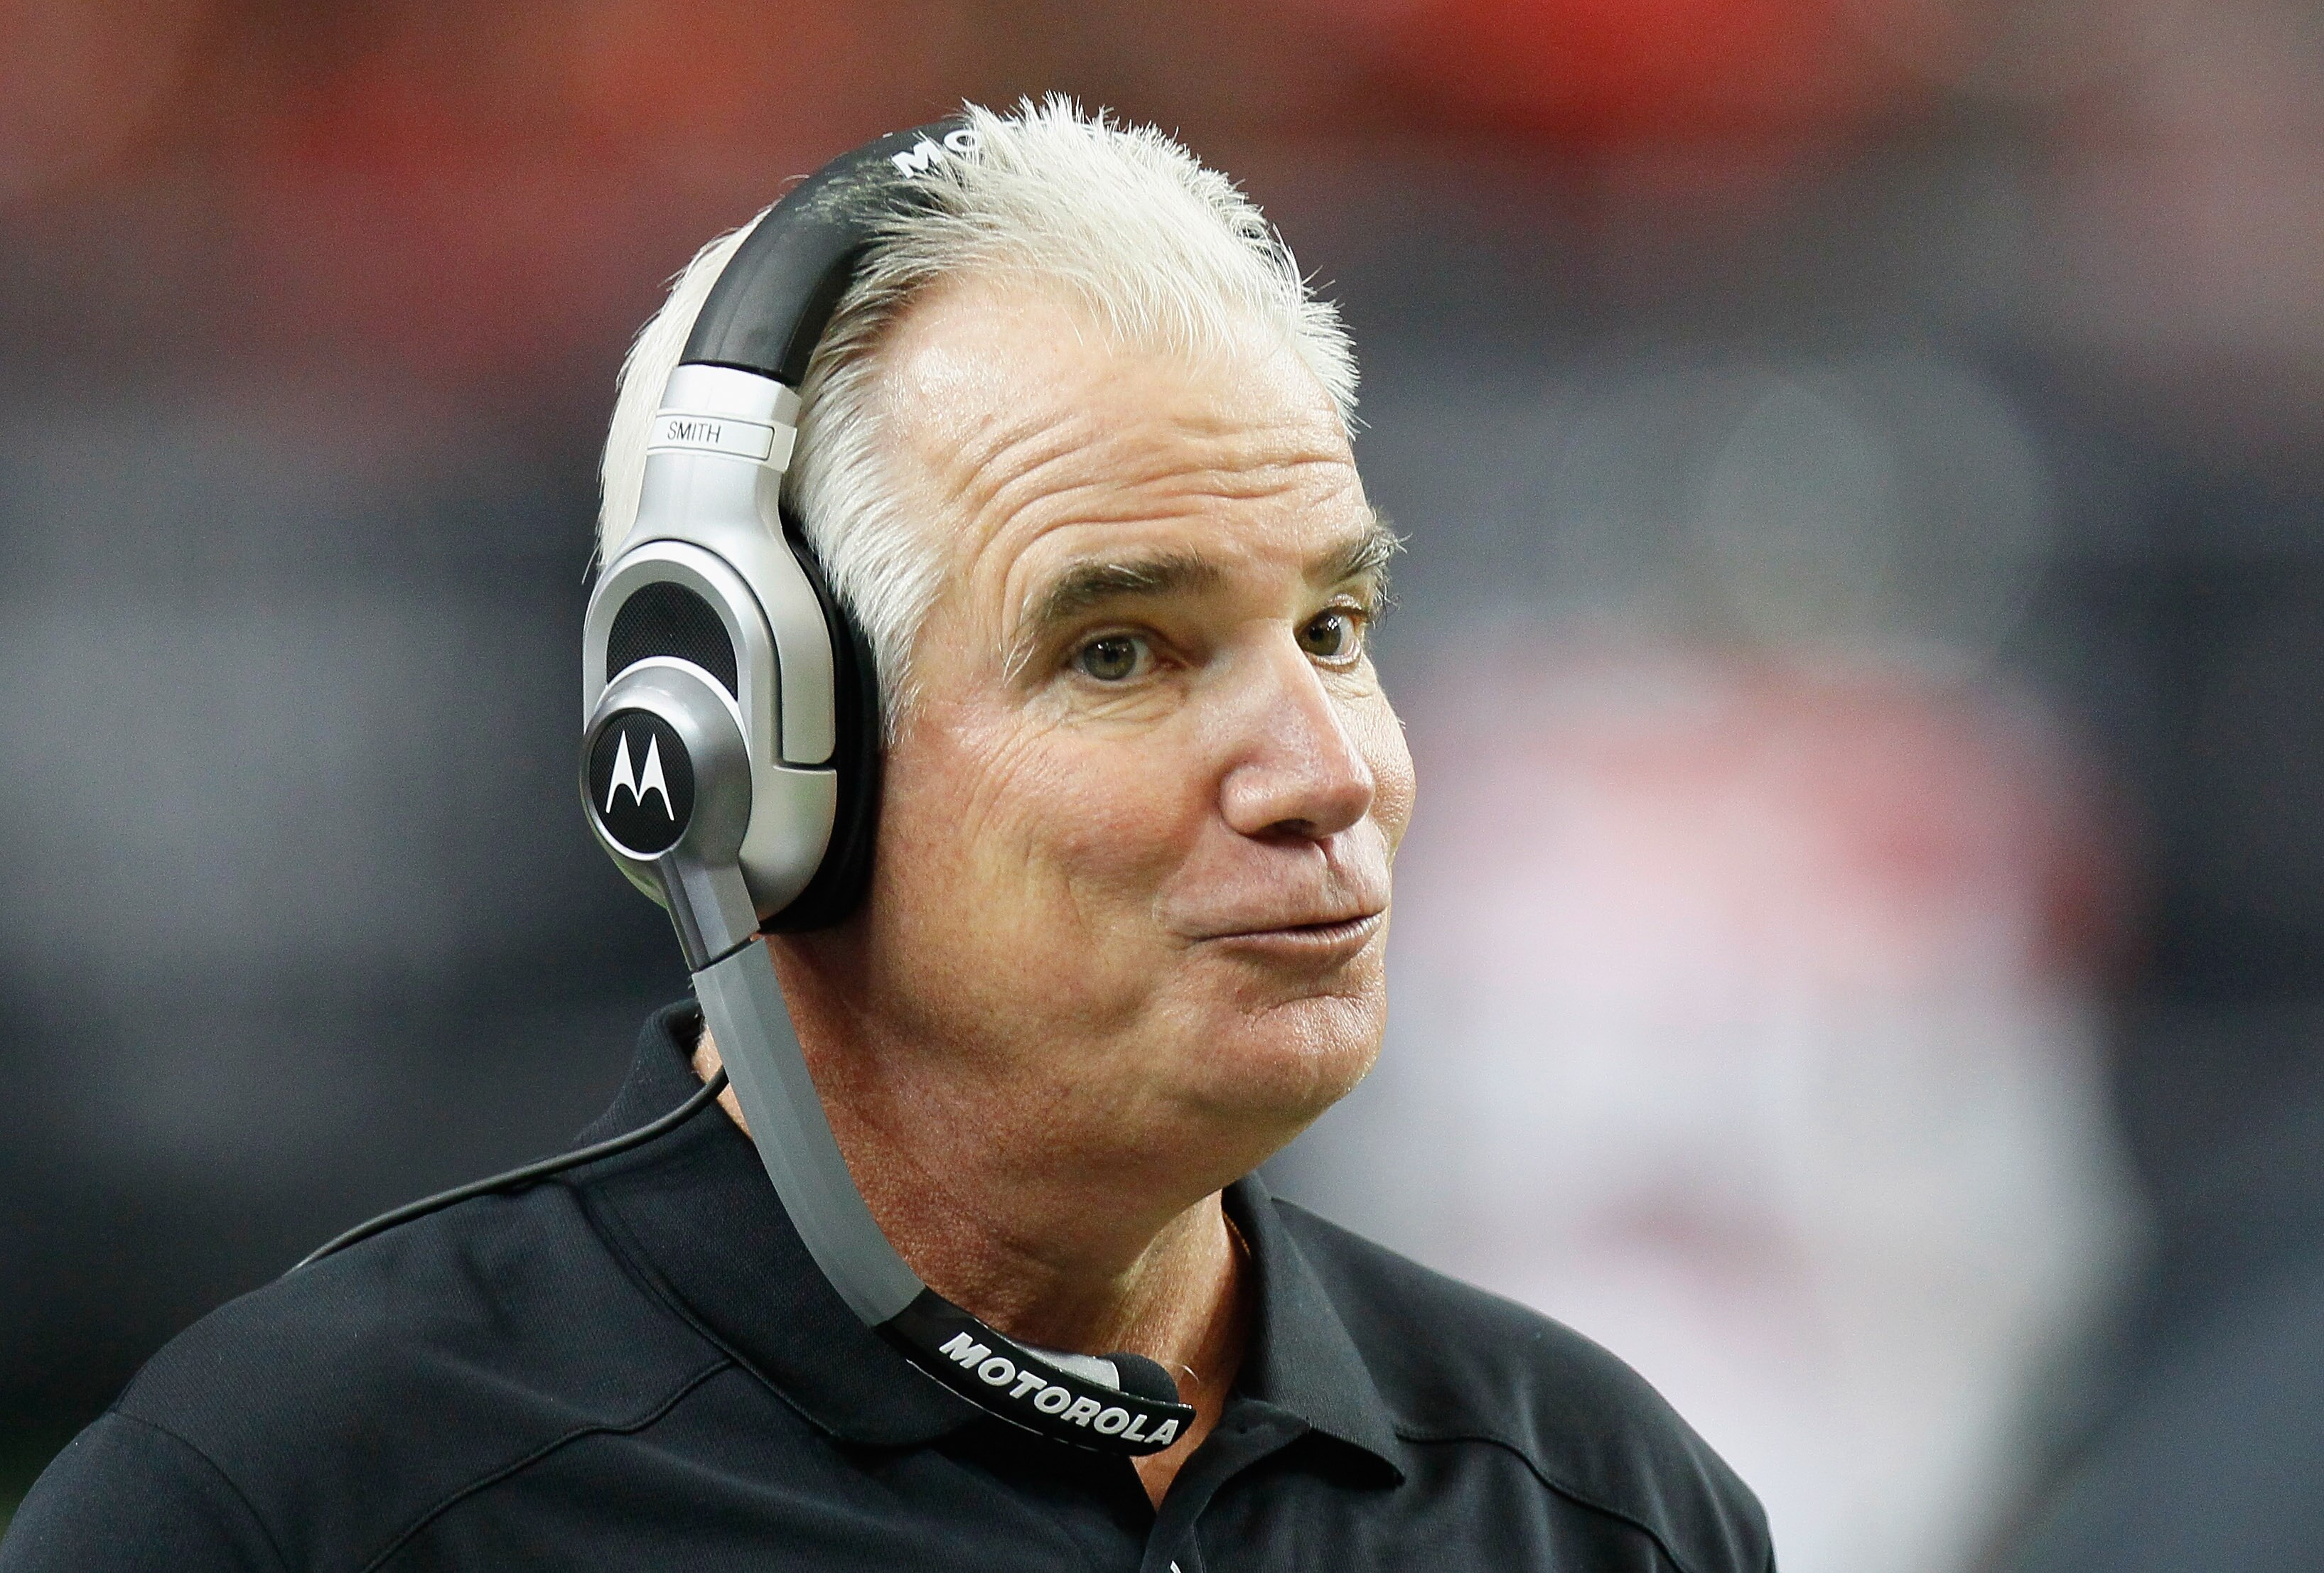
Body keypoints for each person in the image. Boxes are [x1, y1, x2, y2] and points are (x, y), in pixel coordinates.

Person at [0, 99, 1771, 1571]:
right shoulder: (298, 1505)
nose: (1327, 773)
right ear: (734, 761)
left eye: (1332, 630)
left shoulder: (1603, 1507)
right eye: (1117, 650)